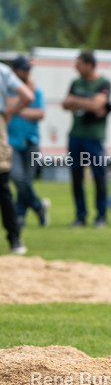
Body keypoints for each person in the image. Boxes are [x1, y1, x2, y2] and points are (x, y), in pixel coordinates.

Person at [62, 51, 111, 227]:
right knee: (76, 177)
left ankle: (101, 216)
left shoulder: (103, 83)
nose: (76, 67)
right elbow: (65, 104)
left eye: (79, 63)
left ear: (90, 65)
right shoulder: (75, 83)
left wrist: (77, 101)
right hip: (76, 136)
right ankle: (80, 216)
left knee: (99, 176)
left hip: (94, 137)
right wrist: (87, 103)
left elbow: (98, 104)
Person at [7, 57, 48, 228]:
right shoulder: (7, 90)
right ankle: (39, 206)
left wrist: (18, 108)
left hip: (31, 140)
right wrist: (23, 105)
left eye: (28, 70)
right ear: (15, 71)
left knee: (27, 181)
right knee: (18, 178)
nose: (27, 73)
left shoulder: (36, 91)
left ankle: (20, 216)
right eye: (24, 70)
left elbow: (40, 113)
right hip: (12, 141)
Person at [1, 61, 34, 254]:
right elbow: (27, 96)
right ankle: (15, 240)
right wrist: (7, 113)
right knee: (3, 189)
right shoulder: (3, 71)